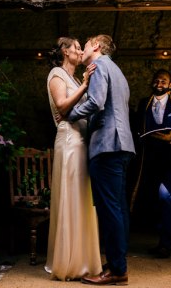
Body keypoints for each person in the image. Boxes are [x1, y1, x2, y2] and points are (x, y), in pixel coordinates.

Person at [65, 34, 135, 286]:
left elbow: (96, 101)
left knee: (109, 210)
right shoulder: (116, 70)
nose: (82, 50)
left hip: (107, 146)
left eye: (85, 45)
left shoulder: (99, 67)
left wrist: (70, 115)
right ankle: (118, 263)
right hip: (122, 145)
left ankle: (117, 271)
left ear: (96, 46)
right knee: (118, 209)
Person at [45, 37, 102, 281]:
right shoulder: (56, 74)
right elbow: (62, 107)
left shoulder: (75, 79)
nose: (80, 52)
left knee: (81, 199)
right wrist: (87, 84)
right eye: (77, 48)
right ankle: (68, 263)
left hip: (81, 141)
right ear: (65, 52)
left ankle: (83, 259)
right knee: (70, 198)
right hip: (68, 142)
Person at [133, 69, 171, 258]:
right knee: (151, 199)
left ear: (170, 85)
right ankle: (157, 240)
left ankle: (166, 243)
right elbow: (137, 127)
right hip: (148, 160)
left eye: (164, 81)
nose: (159, 83)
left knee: (166, 198)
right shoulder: (144, 104)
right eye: (156, 80)